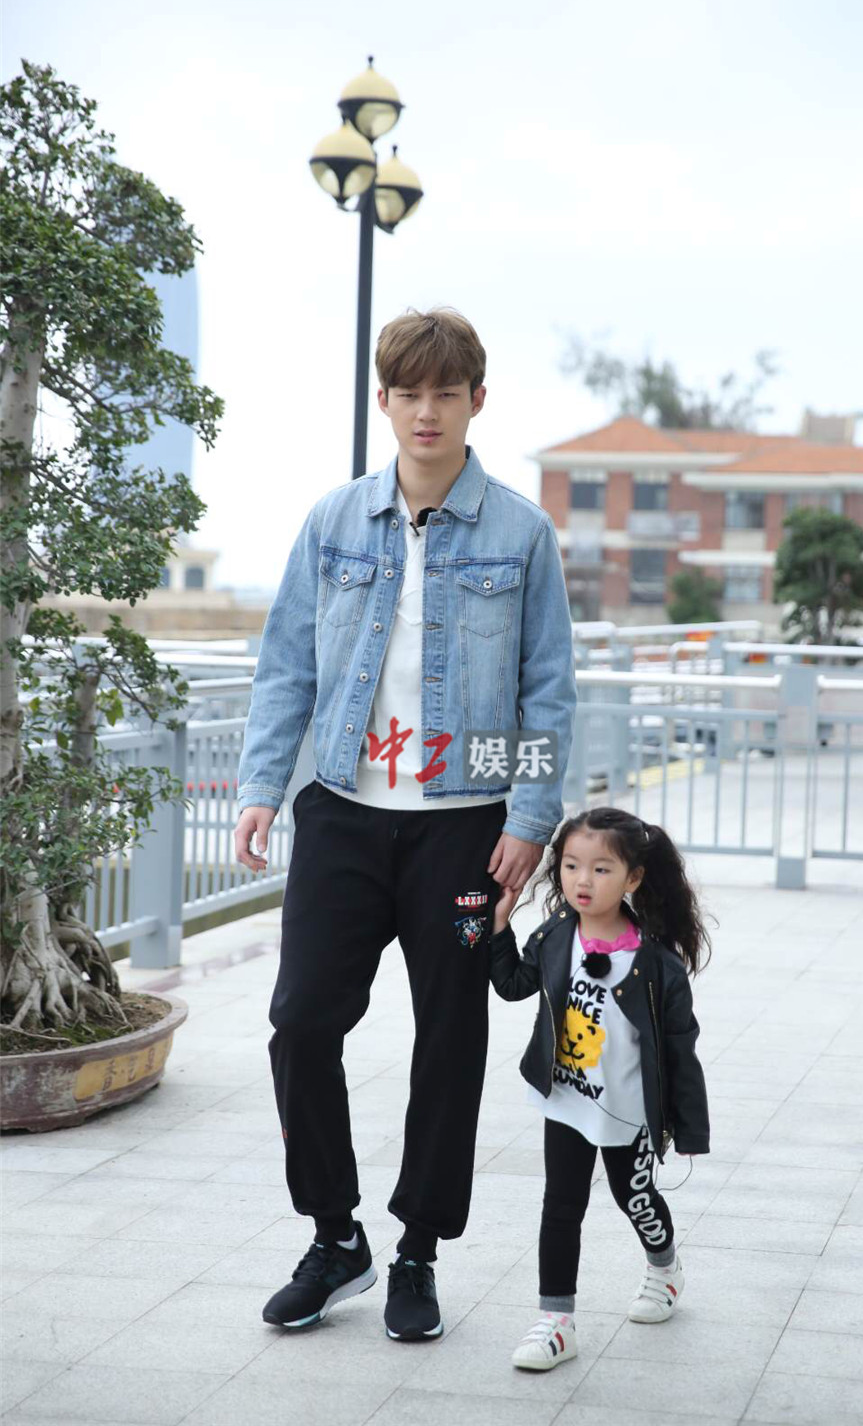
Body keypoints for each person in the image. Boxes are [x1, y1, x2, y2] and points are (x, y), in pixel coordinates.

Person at [233, 307, 577, 1341]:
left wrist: (529, 818)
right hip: (342, 813)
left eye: (446, 392)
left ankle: (418, 1248)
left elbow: (548, 692)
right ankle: (335, 1235)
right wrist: (261, 787)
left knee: (450, 1041)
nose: (427, 411)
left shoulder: (521, 533)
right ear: (382, 400)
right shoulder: (334, 521)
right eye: (409, 392)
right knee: (302, 1023)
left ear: (478, 400)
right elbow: (286, 666)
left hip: (463, 826)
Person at [488, 806, 711, 1371]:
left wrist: (688, 1127)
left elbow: (681, 1050)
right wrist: (499, 927)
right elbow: (513, 985)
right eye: (571, 866)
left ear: (633, 877)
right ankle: (556, 1321)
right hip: (566, 1099)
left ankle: (664, 1267)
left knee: (633, 1197)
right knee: (561, 1205)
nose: (582, 880)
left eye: (601, 869)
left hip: (627, 1110)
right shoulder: (555, 936)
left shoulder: (655, 963)